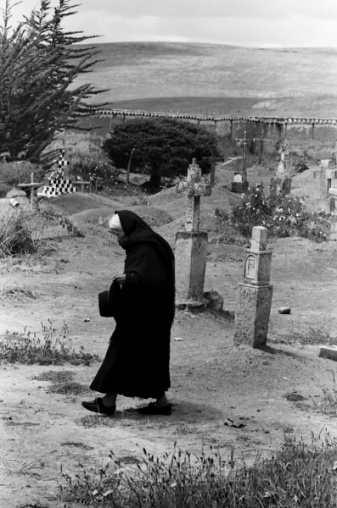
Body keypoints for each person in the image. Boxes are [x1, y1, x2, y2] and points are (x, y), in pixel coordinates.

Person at [82, 210, 175, 416]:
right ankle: (159, 402)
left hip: (147, 313)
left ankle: (108, 402)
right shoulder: (144, 244)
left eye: (117, 234)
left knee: (122, 350)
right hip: (145, 310)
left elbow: (157, 280)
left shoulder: (146, 246)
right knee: (147, 356)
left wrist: (131, 279)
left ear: (129, 230)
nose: (117, 239)